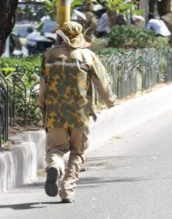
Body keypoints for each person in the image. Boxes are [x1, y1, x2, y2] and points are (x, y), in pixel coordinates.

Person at [38, 21, 116, 203]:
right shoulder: (87, 56)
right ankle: (67, 189)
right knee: (77, 152)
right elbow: (103, 84)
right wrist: (110, 100)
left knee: (55, 149)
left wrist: (42, 105)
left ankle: (55, 166)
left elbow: (43, 85)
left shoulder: (49, 55)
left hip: (55, 113)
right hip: (79, 114)